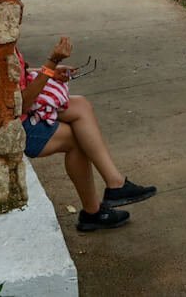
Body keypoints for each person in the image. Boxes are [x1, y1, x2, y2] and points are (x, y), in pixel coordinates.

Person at [18, 35, 156, 231]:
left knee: (81, 105)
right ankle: (98, 206)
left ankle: (114, 185)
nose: (20, 8)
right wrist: (51, 63)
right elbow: (21, 104)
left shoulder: (1, 39)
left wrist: (49, 72)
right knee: (78, 139)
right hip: (21, 126)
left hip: (23, 114)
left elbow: (19, 79)